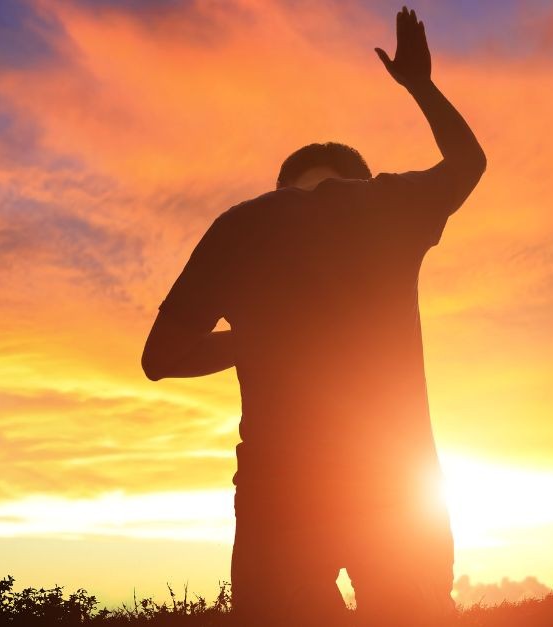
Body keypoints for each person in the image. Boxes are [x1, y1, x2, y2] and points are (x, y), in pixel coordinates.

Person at [142, 7, 485, 626]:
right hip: (393, 485)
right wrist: (420, 86)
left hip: (282, 494)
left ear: (280, 189)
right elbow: (469, 164)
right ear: (360, 181)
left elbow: (160, 359)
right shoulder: (385, 207)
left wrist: (254, 341)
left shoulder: (241, 225)